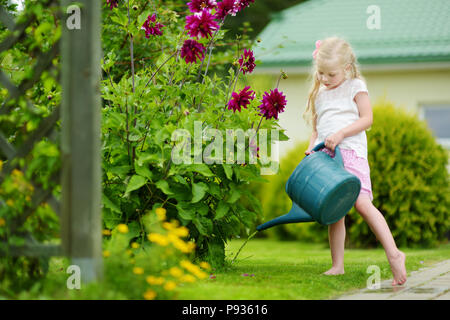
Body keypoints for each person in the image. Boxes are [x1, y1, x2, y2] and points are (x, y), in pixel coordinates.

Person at [303, 37, 407, 286]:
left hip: (351, 154)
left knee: (362, 203)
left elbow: (367, 119)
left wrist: (340, 134)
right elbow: (317, 130)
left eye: (331, 74)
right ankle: (337, 266)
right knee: (334, 212)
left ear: (347, 68)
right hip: (327, 159)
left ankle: (394, 254)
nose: (325, 79)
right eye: (321, 73)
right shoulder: (320, 94)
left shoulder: (355, 85)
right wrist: (310, 150)